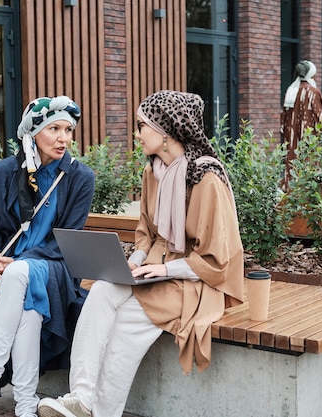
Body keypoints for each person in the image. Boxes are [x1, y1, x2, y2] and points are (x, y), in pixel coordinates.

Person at [37, 90, 245, 417]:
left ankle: (100, 412)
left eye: (141, 126)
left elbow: (217, 259)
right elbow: (146, 232)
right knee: (102, 290)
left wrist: (165, 270)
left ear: (165, 132)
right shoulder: (153, 172)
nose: (136, 133)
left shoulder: (206, 178)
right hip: (152, 270)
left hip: (196, 280)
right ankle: (81, 397)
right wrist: (131, 262)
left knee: (126, 324)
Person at [0, 96, 95, 417]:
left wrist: (15, 263)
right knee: (28, 311)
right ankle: (27, 405)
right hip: (12, 270)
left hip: (55, 267)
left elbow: (67, 240)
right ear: (32, 132)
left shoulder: (80, 177)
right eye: (54, 128)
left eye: (69, 130)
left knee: (19, 276)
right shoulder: (7, 171)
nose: (64, 138)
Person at [281, 60, 322, 191]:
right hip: (309, 141)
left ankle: (290, 193)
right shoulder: (313, 92)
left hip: (291, 140)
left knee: (292, 166)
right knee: (309, 168)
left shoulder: (290, 91)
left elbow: (283, 119)